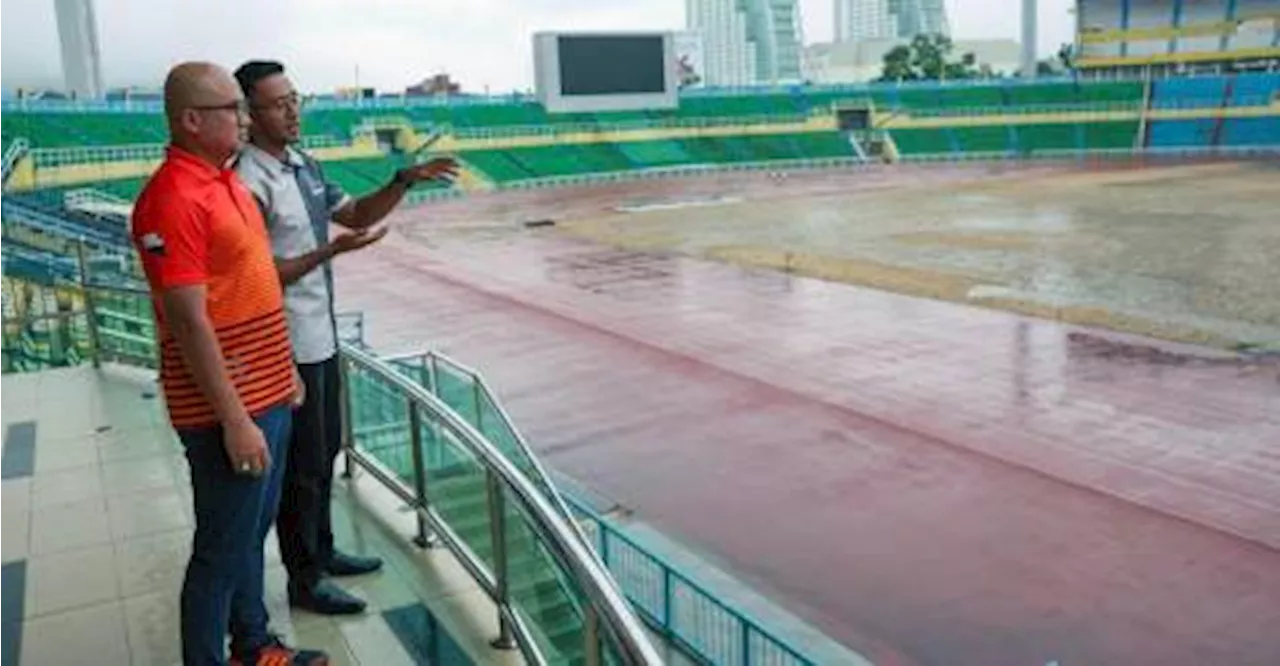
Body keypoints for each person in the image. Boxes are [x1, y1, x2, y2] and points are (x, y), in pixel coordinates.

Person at [233, 60, 459, 615]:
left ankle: (324, 551)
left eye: (295, 99)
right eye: (278, 103)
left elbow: (354, 213)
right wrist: (329, 253)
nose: (292, 111)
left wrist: (402, 181)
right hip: (283, 347)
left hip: (321, 339)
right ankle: (304, 581)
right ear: (248, 114)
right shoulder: (246, 182)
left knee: (324, 455)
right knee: (301, 473)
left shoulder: (302, 165)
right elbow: (257, 275)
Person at [130, 62, 327, 666]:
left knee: (248, 535)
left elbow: (254, 280)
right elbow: (188, 320)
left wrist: (285, 368)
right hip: (228, 411)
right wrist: (235, 419)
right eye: (231, 110)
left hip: (267, 391)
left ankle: (254, 644)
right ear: (192, 120)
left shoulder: (224, 183)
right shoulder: (172, 199)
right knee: (219, 550)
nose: (243, 119)